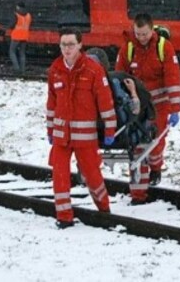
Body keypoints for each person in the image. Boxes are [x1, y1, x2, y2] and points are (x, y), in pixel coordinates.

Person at [46, 29, 116, 228]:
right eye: (63, 45)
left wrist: (110, 130)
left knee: (92, 175)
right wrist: (50, 130)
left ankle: (104, 209)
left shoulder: (93, 70)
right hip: (61, 136)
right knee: (59, 176)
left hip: (85, 138)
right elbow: (51, 103)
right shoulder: (55, 70)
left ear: (79, 45)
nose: (66, 49)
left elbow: (105, 103)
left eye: (70, 44)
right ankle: (64, 217)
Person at [115, 13, 180, 190]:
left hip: (159, 105)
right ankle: (139, 179)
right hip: (137, 105)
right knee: (137, 142)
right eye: (138, 34)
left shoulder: (164, 47)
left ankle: (155, 168)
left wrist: (175, 108)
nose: (141, 38)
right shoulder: (128, 48)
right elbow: (119, 76)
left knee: (156, 141)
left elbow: (173, 79)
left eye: (144, 34)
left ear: (152, 30)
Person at [88, 47, 156, 205]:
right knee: (140, 150)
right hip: (122, 132)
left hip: (99, 134)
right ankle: (138, 195)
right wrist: (133, 92)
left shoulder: (85, 86)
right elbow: (137, 109)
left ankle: (96, 192)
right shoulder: (118, 82)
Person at [8, 2, 31, 74]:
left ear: (18, 7)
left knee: (12, 51)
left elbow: (11, 25)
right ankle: (22, 70)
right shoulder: (28, 15)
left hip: (16, 36)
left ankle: (16, 69)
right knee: (22, 53)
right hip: (25, 36)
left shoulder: (16, 15)